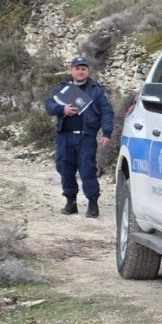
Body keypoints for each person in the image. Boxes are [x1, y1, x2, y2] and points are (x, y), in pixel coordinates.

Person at [44, 56, 114, 218]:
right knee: (65, 169)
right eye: (77, 68)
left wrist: (107, 133)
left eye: (83, 69)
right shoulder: (62, 88)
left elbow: (107, 112)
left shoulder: (96, 90)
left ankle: (93, 204)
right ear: (71, 71)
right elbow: (49, 105)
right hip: (65, 136)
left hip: (86, 137)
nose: (80, 72)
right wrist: (62, 110)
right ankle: (71, 203)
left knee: (87, 169)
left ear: (88, 71)